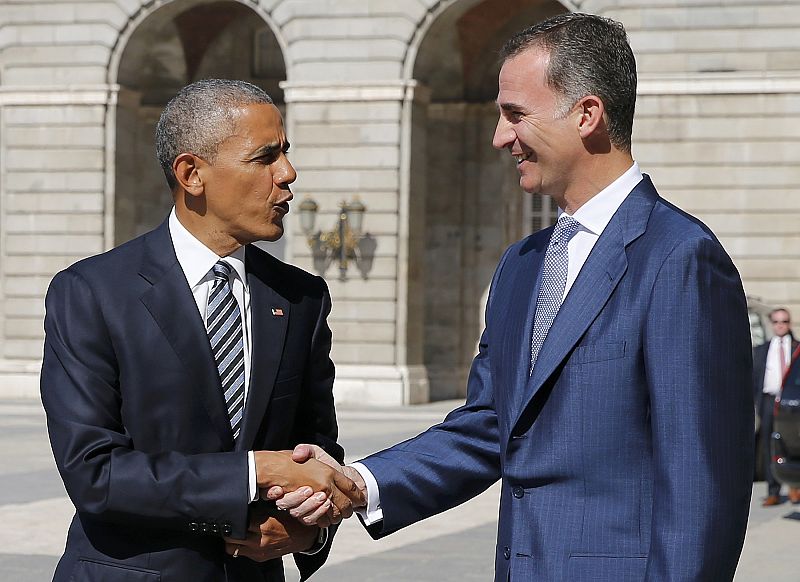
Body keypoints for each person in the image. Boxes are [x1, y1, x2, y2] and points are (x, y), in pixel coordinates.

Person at [282, 12, 754, 582]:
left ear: (587, 114)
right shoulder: (521, 265)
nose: (500, 137)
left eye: (515, 115)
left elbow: (701, 489)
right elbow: (489, 425)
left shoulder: (680, 258)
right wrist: (358, 484)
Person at [40, 79, 362, 582]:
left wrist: (308, 529)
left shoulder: (300, 297)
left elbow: (315, 450)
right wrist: (255, 473)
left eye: (287, 154)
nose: (288, 174)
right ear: (192, 173)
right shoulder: (91, 292)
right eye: (265, 157)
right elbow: (95, 474)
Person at [753, 308, 799, 506]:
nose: (781, 325)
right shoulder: (762, 349)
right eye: (777, 321)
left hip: (792, 402)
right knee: (769, 443)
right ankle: (773, 490)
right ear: (772, 324)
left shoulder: (797, 347)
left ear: (789, 323)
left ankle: (794, 487)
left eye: (785, 321)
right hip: (769, 401)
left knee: (793, 442)